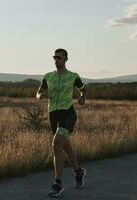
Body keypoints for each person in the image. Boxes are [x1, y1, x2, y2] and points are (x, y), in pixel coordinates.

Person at [36, 48, 87, 198]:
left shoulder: (73, 76)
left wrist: (82, 97)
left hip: (68, 113)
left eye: (59, 57)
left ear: (65, 59)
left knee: (56, 144)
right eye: (55, 57)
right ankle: (79, 172)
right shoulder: (48, 77)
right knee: (66, 147)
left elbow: (83, 89)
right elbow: (38, 92)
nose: (56, 60)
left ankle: (57, 184)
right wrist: (40, 95)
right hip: (53, 114)